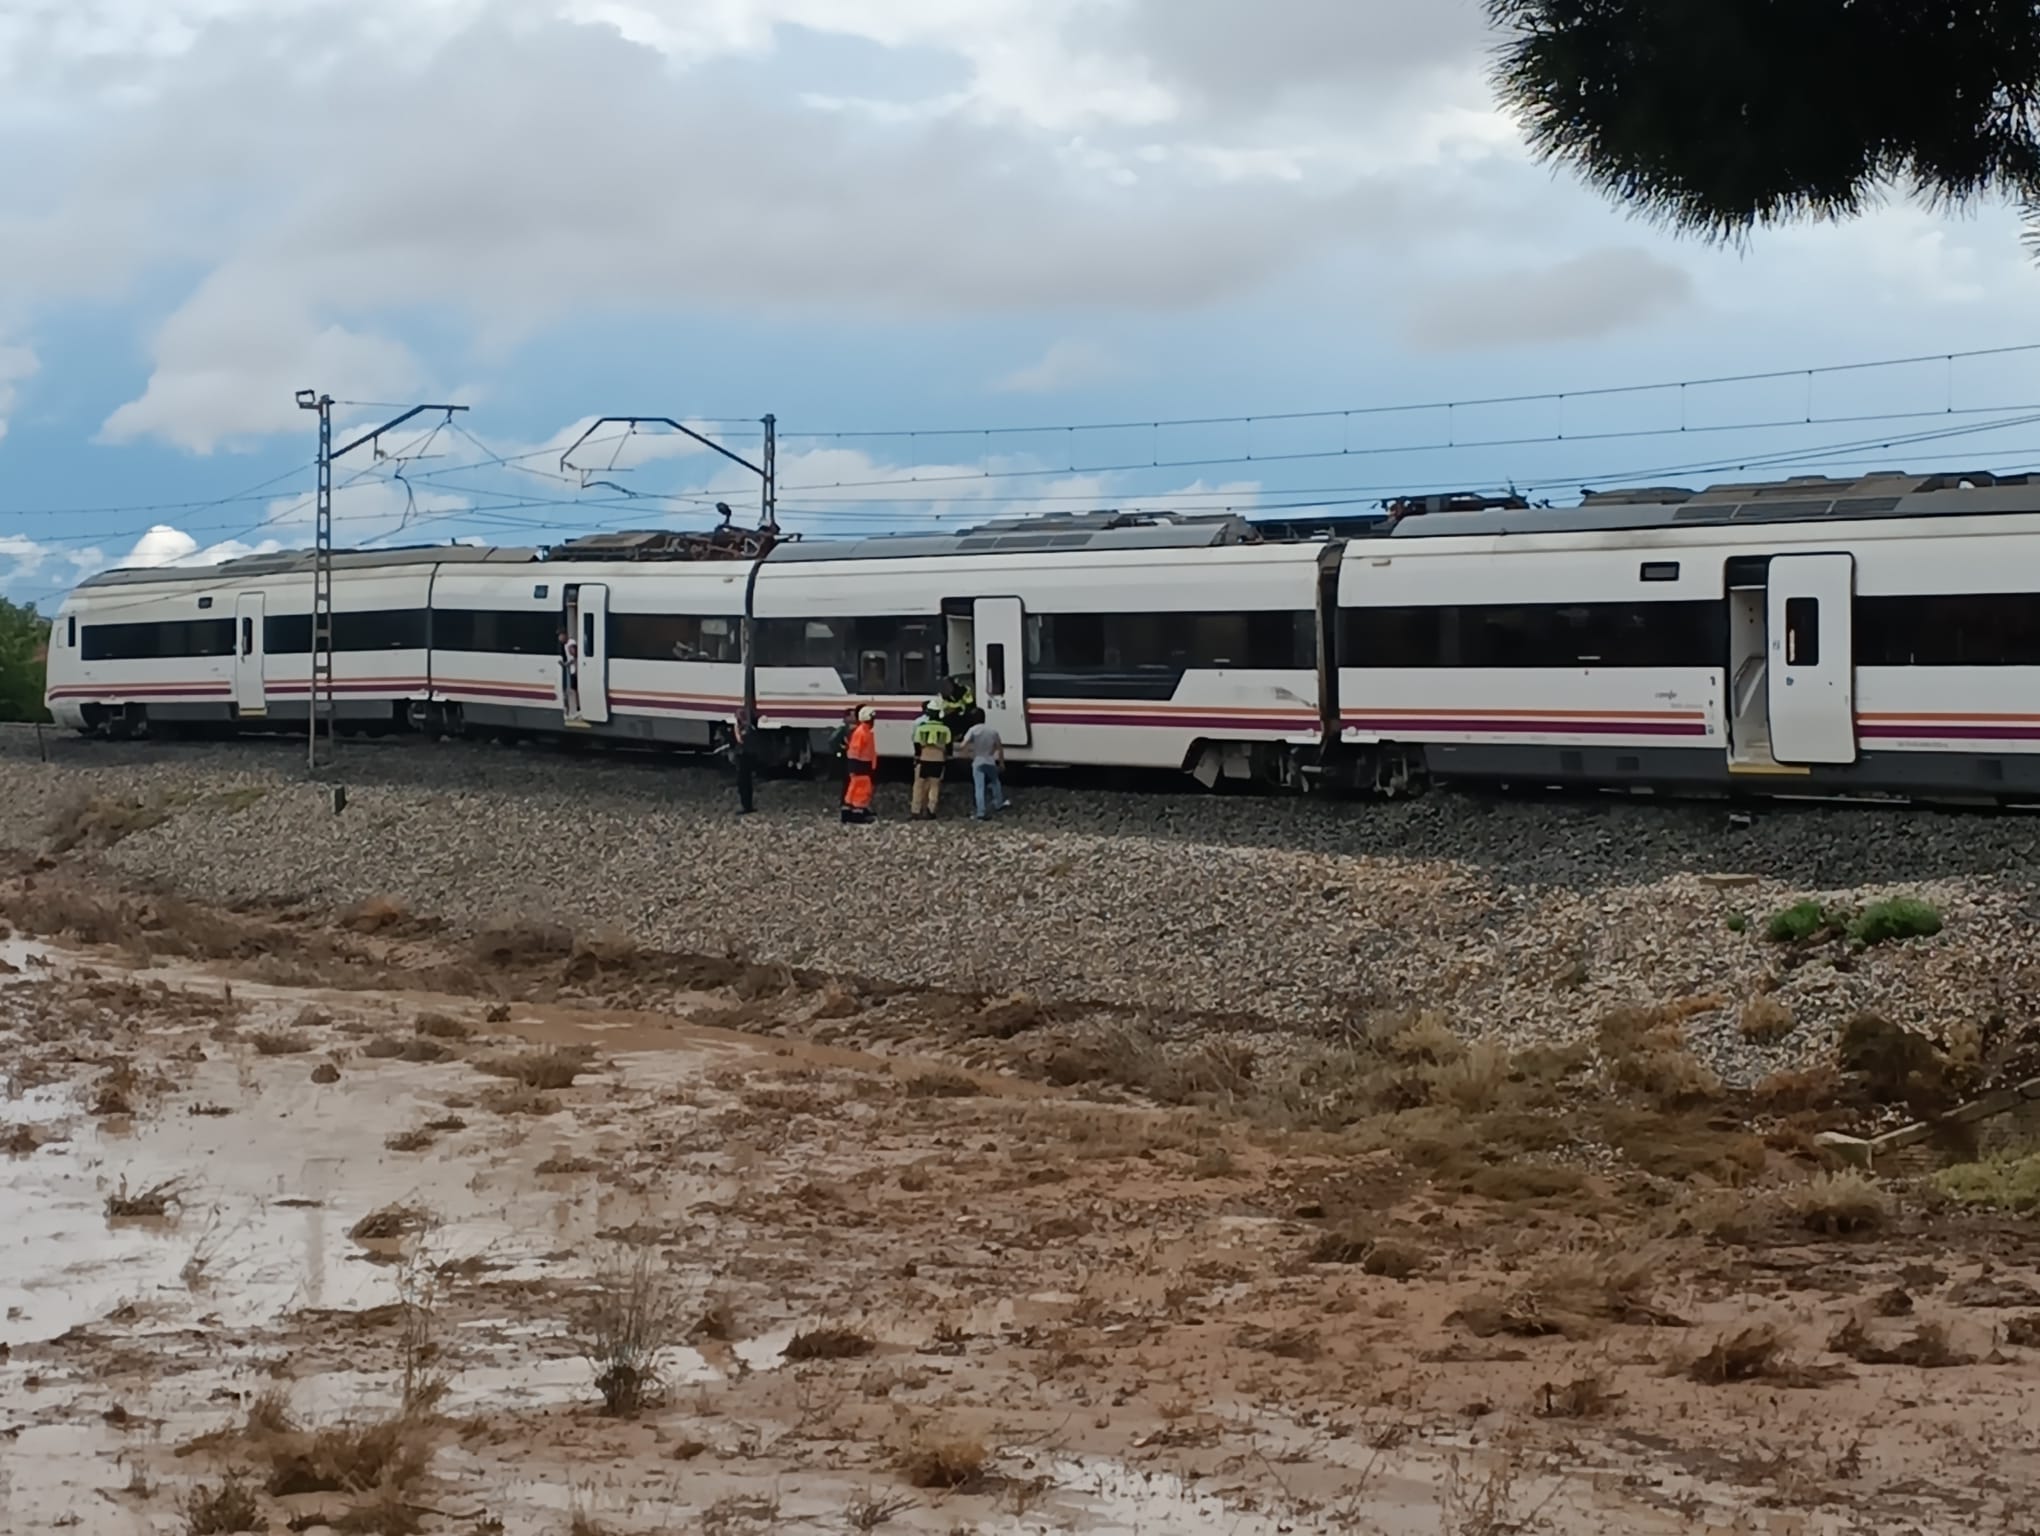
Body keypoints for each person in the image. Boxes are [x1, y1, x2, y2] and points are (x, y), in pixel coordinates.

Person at [909, 698, 952, 820]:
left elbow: (917, 745)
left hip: (923, 759)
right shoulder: (946, 729)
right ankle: (930, 810)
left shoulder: (921, 728)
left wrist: (917, 757)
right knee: (935, 785)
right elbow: (949, 747)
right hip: (938, 760)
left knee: (918, 785)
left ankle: (915, 810)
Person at [960, 716, 1007, 820]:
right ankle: (999, 803)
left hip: (978, 761)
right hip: (990, 760)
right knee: (995, 782)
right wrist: (1001, 763)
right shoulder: (992, 731)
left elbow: (963, 745)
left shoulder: (973, 730)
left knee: (979, 787)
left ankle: (981, 811)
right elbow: (999, 747)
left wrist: (968, 755)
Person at [841, 705, 878, 824]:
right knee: (862, 789)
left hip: (859, 765)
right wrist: (855, 766)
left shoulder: (862, 731)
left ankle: (848, 811)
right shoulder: (863, 732)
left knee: (854, 788)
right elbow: (855, 751)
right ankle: (858, 813)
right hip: (861, 765)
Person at [728, 709, 756, 815]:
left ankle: (746, 806)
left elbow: (740, 739)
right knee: (746, 783)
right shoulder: (749, 727)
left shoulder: (744, 728)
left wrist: (736, 729)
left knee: (743, 783)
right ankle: (747, 805)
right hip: (746, 757)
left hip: (744, 758)